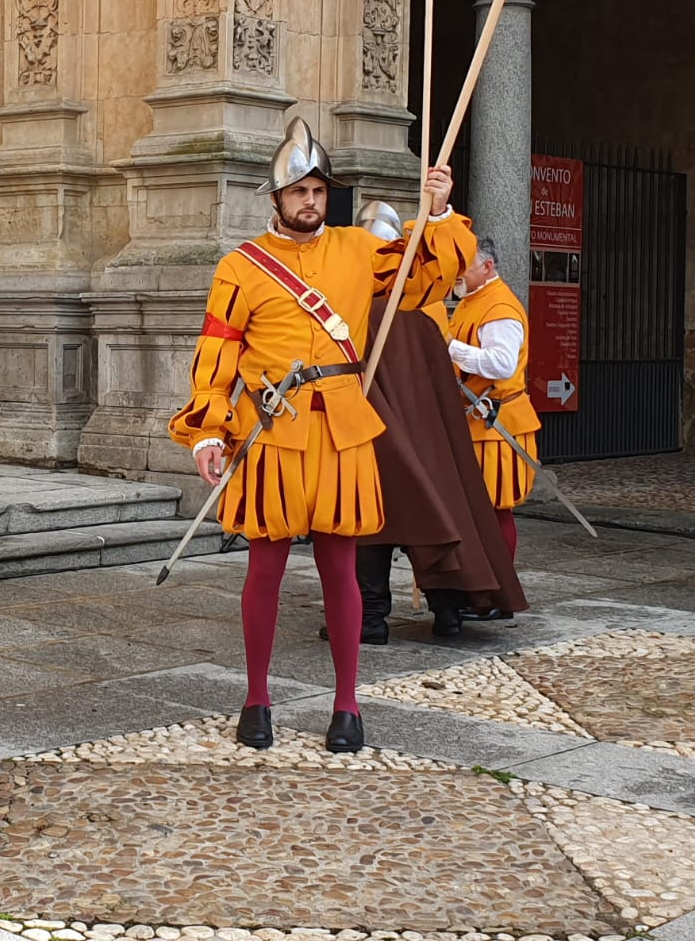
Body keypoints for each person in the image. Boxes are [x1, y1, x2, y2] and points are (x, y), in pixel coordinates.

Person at [168, 119, 473, 755]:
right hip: (272, 430)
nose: (310, 201)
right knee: (266, 570)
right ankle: (256, 699)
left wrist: (438, 212)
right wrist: (206, 432)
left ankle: (347, 704)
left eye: (318, 190)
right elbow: (216, 355)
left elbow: (425, 279)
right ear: (274, 198)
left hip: (342, 430)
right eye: (298, 191)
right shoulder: (240, 267)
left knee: (342, 569)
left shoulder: (360, 251)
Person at [314, 202, 527, 643]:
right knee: (434, 517)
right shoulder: (429, 302)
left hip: (376, 426)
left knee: (371, 521)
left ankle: (371, 619)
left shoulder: (358, 301)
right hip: (428, 430)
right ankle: (447, 612)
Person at [447, 235, 540, 610]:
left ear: (487, 266)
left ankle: (496, 594)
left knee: (493, 511)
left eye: (464, 265)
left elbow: (500, 364)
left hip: (496, 426)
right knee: (478, 512)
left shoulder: (499, 307)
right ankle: (483, 589)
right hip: (477, 421)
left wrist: (448, 347)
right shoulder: (473, 301)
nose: (458, 273)